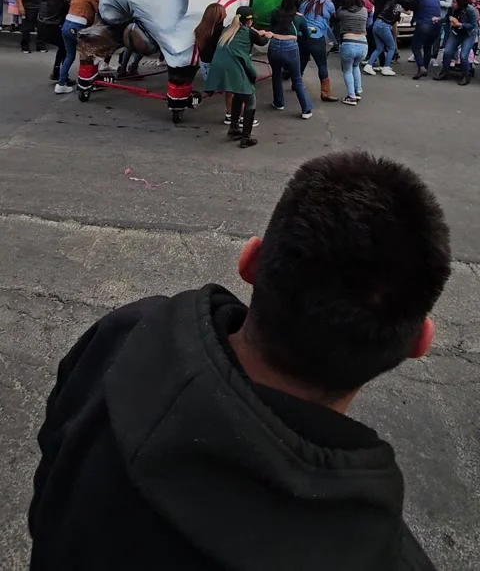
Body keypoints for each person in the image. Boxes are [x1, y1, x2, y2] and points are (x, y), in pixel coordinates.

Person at [29, 151, 451, 571]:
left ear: (250, 262)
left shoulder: (124, 335)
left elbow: (52, 467)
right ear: (419, 342)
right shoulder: (380, 551)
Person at [205, 6, 268, 147]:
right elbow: (262, 41)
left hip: (218, 67)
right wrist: (267, 35)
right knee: (250, 99)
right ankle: (246, 138)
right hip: (234, 68)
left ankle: (233, 128)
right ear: (250, 21)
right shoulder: (249, 32)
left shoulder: (227, 29)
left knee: (238, 94)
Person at [268, 0, 313, 119]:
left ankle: (279, 102)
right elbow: (306, 35)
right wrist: (310, 30)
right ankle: (306, 109)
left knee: (276, 75)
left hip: (274, 45)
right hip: (290, 46)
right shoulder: (299, 18)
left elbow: (271, 27)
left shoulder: (275, 13)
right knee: (297, 79)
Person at [55, 0, 99, 94]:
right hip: (79, 26)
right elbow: (100, 11)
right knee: (87, 56)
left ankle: (60, 84)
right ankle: (85, 83)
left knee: (69, 55)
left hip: (66, 24)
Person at [299, 0, 337, 102]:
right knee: (322, 65)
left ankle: (296, 84)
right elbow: (333, 18)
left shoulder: (304, 1)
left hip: (302, 35)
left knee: (302, 60)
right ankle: (325, 93)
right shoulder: (328, 4)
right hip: (317, 37)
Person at [363, 0, 402, 77]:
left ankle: (369, 65)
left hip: (377, 23)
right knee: (391, 47)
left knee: (379, 47)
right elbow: (404, 12)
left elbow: (377, 2)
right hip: (384, 25)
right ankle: (386, 67)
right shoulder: (395, 4)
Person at [435, 0, 478, 85]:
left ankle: (465, 75)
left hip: (468, 34)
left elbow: (473, 25)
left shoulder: (470, 10)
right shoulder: (452, 9)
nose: (452, 4)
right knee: (447, 52)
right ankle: (444, 72)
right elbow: (447, 18)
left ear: (460, 3)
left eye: (454, 2)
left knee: (463, 56)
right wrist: (438, 19)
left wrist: (460, 24)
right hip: (456, 33)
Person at [403, 0, 442, 80]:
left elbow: (409, 6)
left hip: (424, 24)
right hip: (437, 24)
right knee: (427, 47)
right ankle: (425, 67)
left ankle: (421, 67)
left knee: (416, 47)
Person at [37, 0, 70, 83]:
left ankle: (56, 71)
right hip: (54, 27)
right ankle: (63, 76)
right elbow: (68, 11)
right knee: (66, 48)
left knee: (62, 47)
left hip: (41, 26)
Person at [337, 0, 368, 106]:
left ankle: (351, 97)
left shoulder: (342, 12)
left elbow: (335, 17)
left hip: (348, 42)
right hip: (363, 43)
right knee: (356, 66)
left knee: (347, 70)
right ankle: (357, 90)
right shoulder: (364, 11)